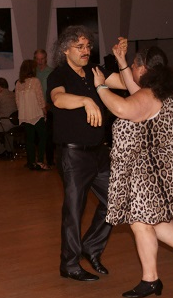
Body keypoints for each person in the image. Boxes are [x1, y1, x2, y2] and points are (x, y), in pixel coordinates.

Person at [94, 45, 173, 298]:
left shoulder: (149, 95)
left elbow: (123, 108)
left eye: (135, 66)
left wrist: (101, 86)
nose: (132, 71)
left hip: (150, 172)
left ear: (144, 68)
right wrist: (122, 61)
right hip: (165, 167)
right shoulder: (164, 91)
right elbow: (136, 92)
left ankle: (151, 280)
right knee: (158, 220)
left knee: (140, 222)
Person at [47, 27, 126, 282]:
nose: (85, 51)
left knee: (116, 201)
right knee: (74, 210)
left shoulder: (95, 70)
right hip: (73, 155)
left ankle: (90, 247)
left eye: (88, 46)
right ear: (65, 50)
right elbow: (58, 99)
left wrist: (121, 59)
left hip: (99, 152)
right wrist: (85, 100)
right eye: (79, 47)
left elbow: (126, 83)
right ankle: (69, 264)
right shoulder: (58, 75)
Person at [14, 60, 49, 170]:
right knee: (43, 137)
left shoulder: (18, 83)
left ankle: (31, 162)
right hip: (36, 113)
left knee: (30, 139)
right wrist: (44, 110)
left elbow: (17, 101)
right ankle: (40, 161)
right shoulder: (35, 81)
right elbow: (40, 98)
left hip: (25, 115)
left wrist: (22, 111)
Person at [34, 49, 55, 166]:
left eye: (42, 59)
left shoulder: (51, 72)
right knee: (38, 135)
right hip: (36, 107)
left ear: (45, 58)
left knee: (49, 134)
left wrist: (48, 105)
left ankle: (50, 160)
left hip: (49, 106)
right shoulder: (33, 72)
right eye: (37, 59)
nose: (40, 61)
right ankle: (39, 159)